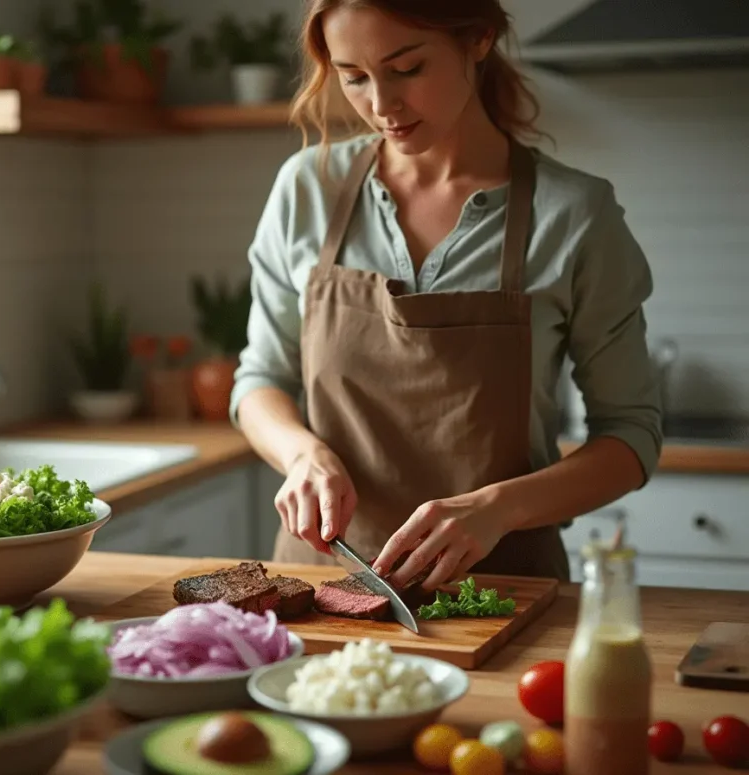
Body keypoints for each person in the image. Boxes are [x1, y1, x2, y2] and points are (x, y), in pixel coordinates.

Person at [229, 0, 663, 589]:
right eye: (354, 77)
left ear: (478, 39)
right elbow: (260, 382)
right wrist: (302, 453)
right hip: (321, 583)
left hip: (506, 590)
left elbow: (629, 435)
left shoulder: (575, 216)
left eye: (406, 69)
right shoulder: (308, 189)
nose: (381, 106)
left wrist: (499, 508)